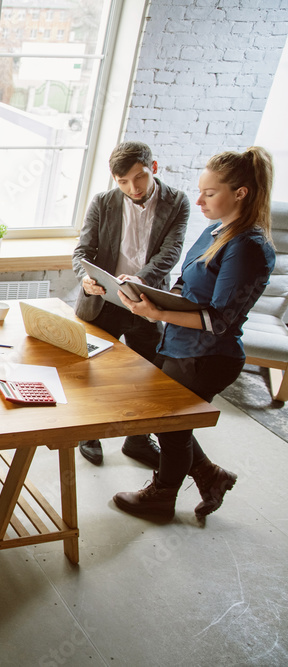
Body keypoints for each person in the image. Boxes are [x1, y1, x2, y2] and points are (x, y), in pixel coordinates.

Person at [114, 146, 276, 520]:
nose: (199, 200)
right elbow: (188, 286)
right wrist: (147, 291)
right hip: (181, 345)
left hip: (207, 356)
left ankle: (162, 497)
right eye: (200, 191)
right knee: (171, 422)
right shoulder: (216, 229)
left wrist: (158, 312)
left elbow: (219, 319)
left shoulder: (248, 246)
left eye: (210, 193)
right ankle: (209, 474)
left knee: (170, 426)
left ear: (241, 193)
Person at [72, 142, 190, 467]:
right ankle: (89, 432)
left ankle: (137, 440)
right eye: (122, 182)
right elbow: (82, 251)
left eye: (138, 178)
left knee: (147, 373)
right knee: (92, 370)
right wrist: (85, 276)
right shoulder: (103, 202)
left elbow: (171, 252)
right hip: (103, 301)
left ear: (153, 166)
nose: (132, 188)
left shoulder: (177, 201)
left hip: (147, 301)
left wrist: (138, 280)